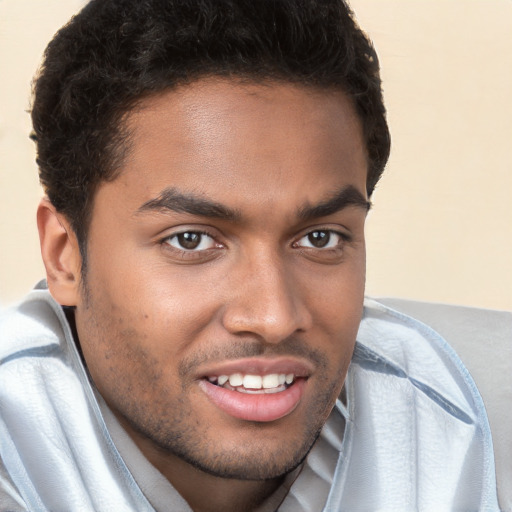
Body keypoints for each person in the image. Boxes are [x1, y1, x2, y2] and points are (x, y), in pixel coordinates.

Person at [0, 0, 499, 510]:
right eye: (190, 240)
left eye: (320, 238)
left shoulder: (480, 420)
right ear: (64, 256)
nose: (275, 317)